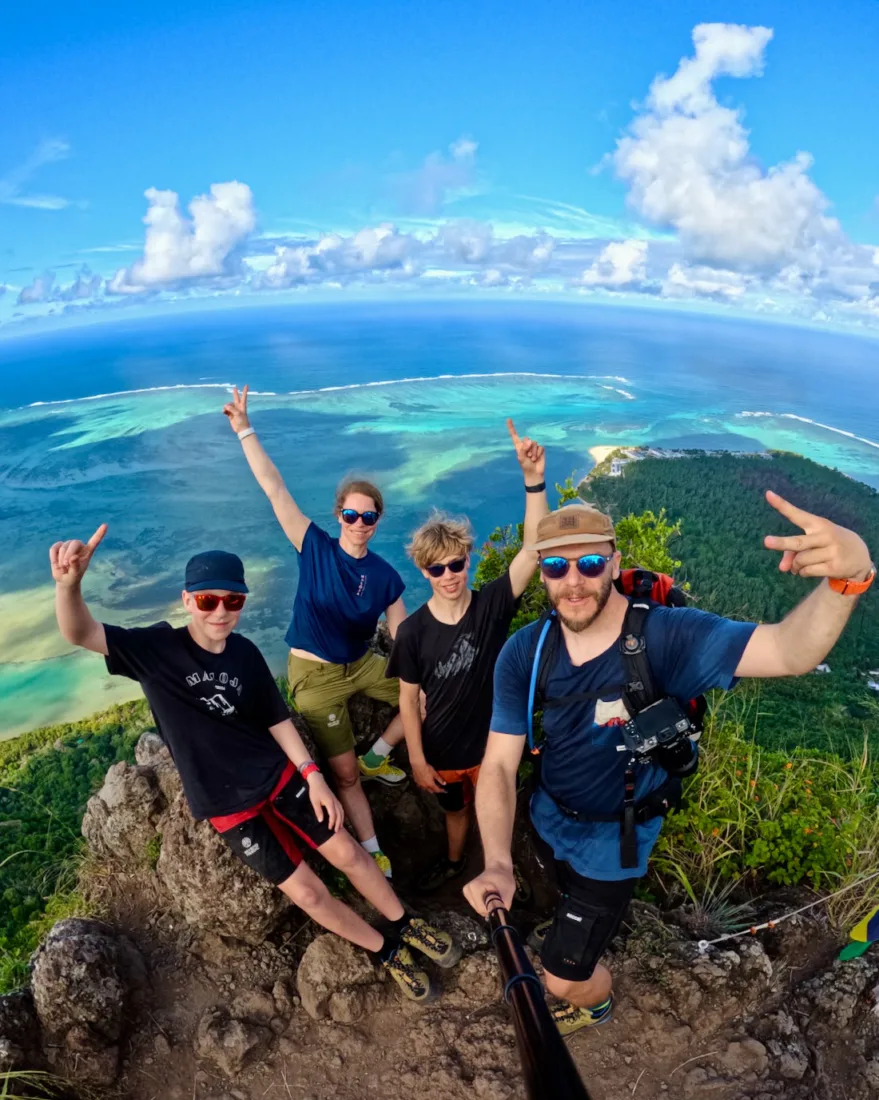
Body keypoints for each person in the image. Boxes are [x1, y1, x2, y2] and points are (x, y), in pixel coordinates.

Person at [464, 493, 874, 1035]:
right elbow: (497, 766)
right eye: (556, 566)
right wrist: (497, 860)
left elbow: (788, 651)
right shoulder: (528, 651)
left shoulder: (667, 636)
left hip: (616, 843)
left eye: (589, 563)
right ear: (541, 572)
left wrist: (848, 577)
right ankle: (573, 926)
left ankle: (592, 1001)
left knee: (563, 976)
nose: (574, 581)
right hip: (548, 819)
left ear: (613, 561)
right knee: (561, 894)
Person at [50, 531, 460, 1003]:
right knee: (306, 892)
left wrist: (313, 777)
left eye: (232, 600)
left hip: (278, 776)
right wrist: (69, 587)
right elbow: (81, 633)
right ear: (187, 600)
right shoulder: (156, 649)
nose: (220, 611)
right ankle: (386, 950)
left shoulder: (244, 653)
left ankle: (405, 922)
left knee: (346, 853)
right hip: (226, 804)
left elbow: (276, 718)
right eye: (207, 600)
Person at [223, 384, 406, 879]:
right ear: (338, 515)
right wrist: (245, 429)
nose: (359, 523)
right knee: (342, 775)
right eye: (351, 514)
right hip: (316, 674)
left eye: (368, 517)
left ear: (377, 520)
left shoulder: (386, 574)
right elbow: (274, 488)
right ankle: (371, 851)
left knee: (426, 696)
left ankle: (380, 753)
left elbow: (403, 631)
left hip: (362, 664)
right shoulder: (315, 547)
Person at [387, 420, 549, 891]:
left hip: (494, 748)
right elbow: (407, 699)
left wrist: (533, 479)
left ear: (468, 559)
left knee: (497, 815)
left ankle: (496, 876)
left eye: (456, 564)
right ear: (423, 571)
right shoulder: (414, 632)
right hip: (442, 752)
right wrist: (416, 758)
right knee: (456, 813)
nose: (449, 575)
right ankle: (457, 866)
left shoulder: (492, 606)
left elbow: (534, 551)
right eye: (437, 568)